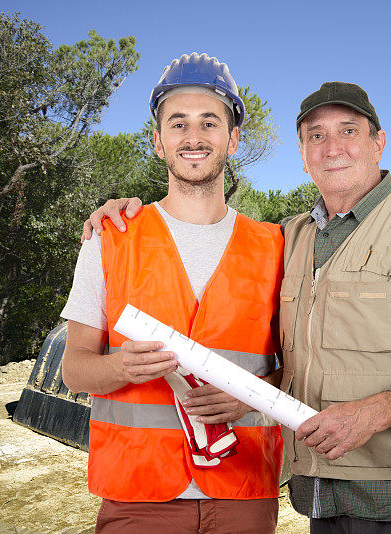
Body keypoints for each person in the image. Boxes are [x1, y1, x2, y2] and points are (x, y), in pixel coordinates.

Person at [84, 81, 391, 534]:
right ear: (302, 154)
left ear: (379, 142)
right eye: (316, 135)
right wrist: (248, 395)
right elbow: (298, 362)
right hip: (326, 497)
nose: (332, 147)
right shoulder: (290, 238)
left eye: (349, 131)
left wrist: (369, 414)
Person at [62, 53, 284, 534]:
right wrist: (120, 367)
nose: (194, 136)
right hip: (138, 494)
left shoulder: (276, 247)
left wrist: (252, 397)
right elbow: (74, 369)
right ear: (158, 141)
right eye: (177, 123)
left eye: (210, 122)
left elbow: (300, 368)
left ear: (234, 138)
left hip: (245, 490)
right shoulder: (111, 237)